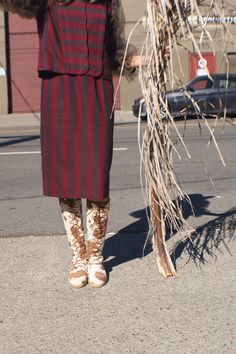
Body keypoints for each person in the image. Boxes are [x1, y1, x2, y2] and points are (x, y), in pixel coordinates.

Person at [0, 0, 138, 288]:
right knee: (67, 174)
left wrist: (141, 58)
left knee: (97, 173)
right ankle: (78, 255)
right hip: (59, 86)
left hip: (97, 87)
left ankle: (96, 256)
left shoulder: (108, 2)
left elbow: (114, 49)